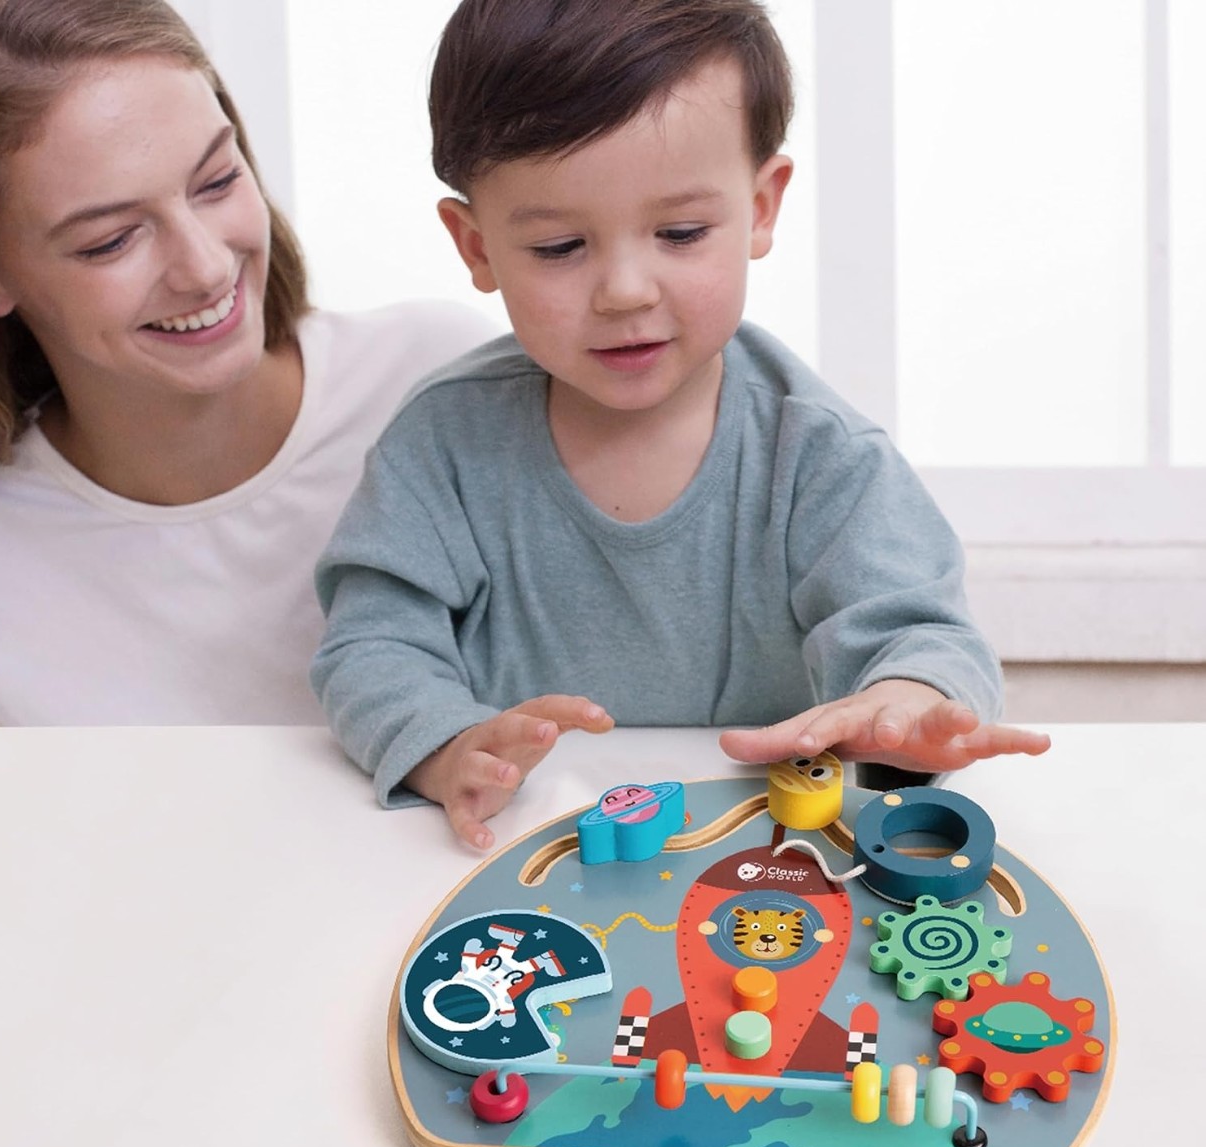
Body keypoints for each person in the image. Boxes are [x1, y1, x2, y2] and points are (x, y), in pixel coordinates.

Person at [311, 0, 1050, 850]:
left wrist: (905, 706)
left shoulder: (818, 455)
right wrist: (444, 747)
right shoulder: (443, 443)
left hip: (759, 849)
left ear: (761, 207)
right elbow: (371, 645)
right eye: (559, 247)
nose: (625, 290)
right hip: (523, 843)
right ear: (476, 246)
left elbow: (921, 633)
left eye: (681, 232)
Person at [0, 0, 497, 726]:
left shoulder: (448, 382)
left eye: (217, 181)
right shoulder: (2, 554)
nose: (203, 268)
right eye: (111, 240)